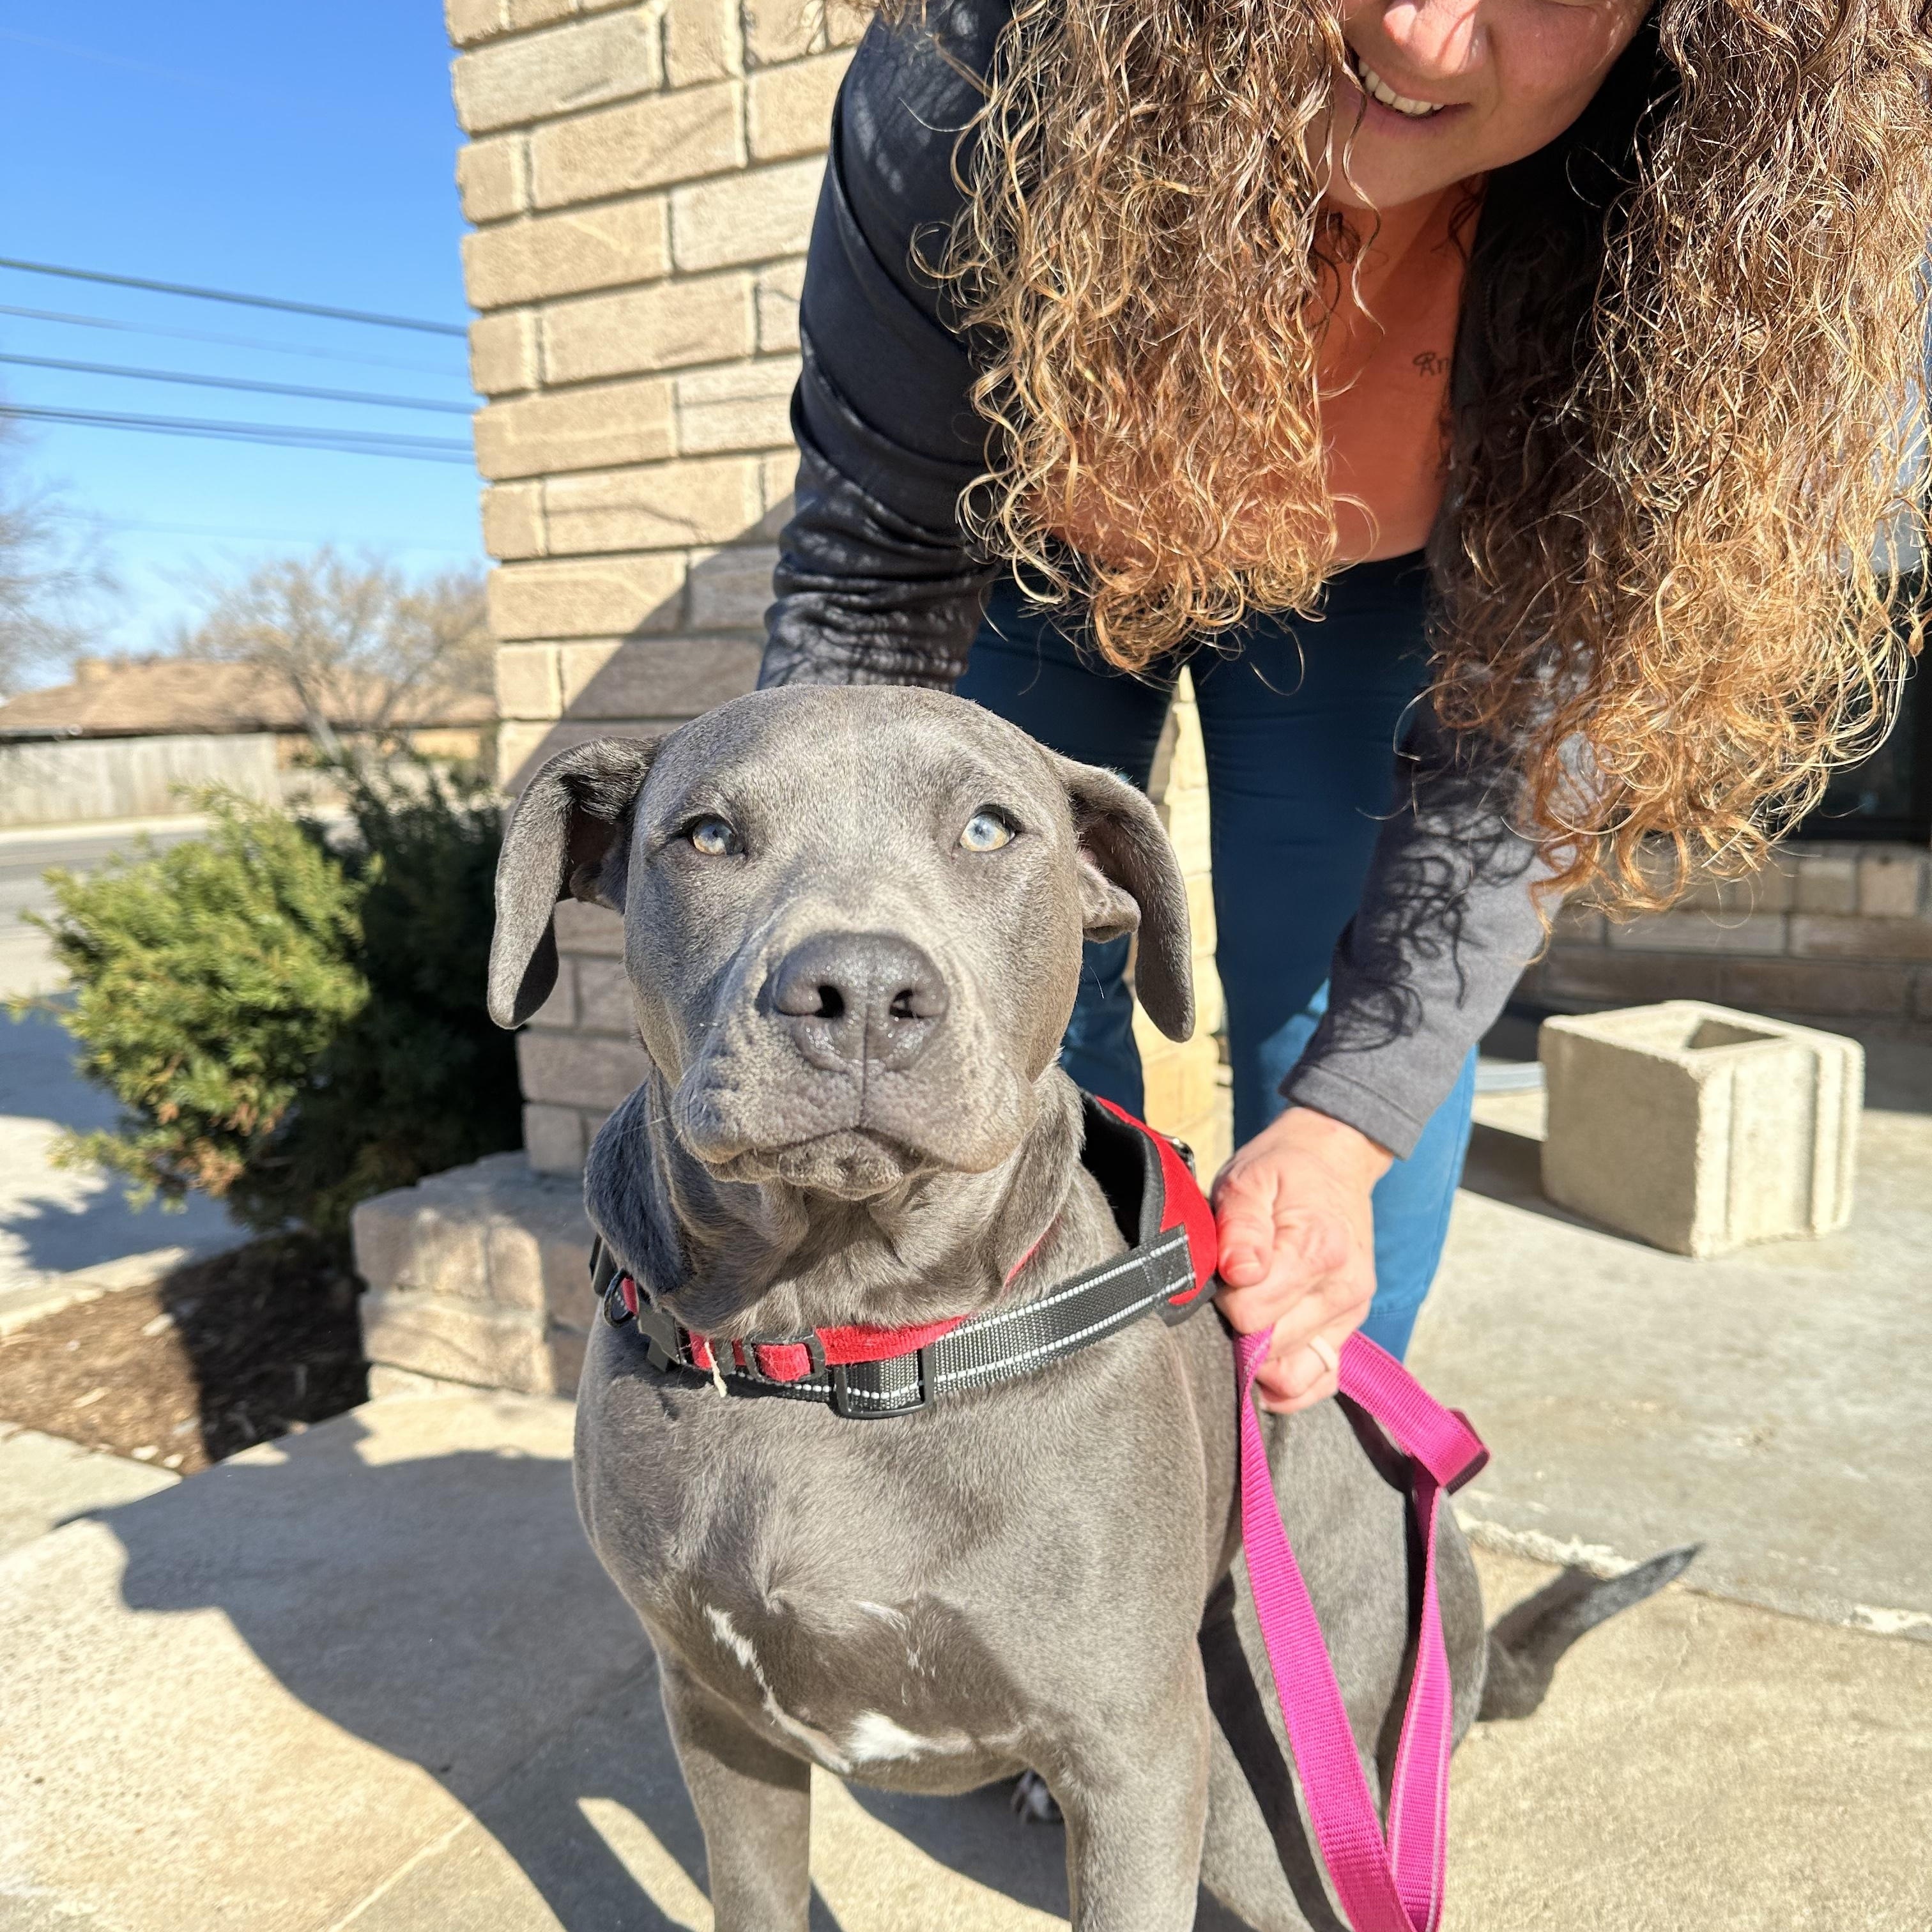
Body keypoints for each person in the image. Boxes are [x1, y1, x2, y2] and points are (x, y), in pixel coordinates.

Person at [756, 0, 1931, 1410]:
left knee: (1336, 1036)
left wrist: (1342, 1136)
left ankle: (1321, 1499)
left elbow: (1518, 756)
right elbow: (866, 578)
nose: (1427, 40)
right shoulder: (971, 79)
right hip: (1015, 547)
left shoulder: (1712, 228)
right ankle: (1047, 1436)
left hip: (1388, 584)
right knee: (1001, 1009)